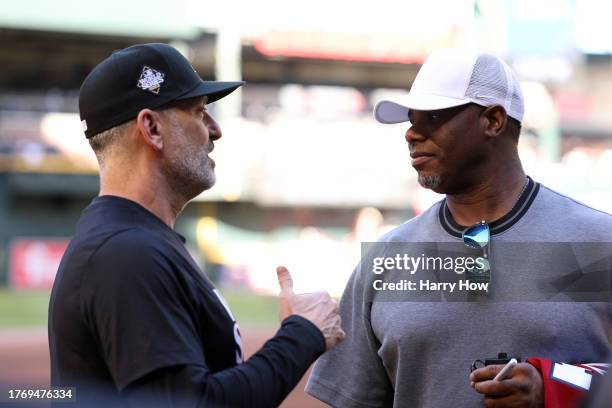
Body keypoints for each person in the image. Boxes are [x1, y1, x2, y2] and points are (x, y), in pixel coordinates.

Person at [305, 48, 612, 407]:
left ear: (493, 121)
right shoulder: (386, 260)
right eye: (411, 119)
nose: (411, 134)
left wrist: (556, 387)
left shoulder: (597, 243)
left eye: (434, 116)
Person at [48, 43, 344, 407]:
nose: (215, 130)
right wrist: (303, 335)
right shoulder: (126, 253)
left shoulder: (133, 240)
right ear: (152, 128)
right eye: (199, 112)